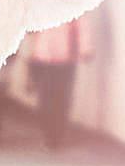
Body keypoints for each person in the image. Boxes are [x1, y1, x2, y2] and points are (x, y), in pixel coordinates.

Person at [26, 16, 92, 149]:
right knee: (45, 98)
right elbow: (32, 26)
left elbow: (82, 26)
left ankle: (56, 135)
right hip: (42, 57)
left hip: (65, 59)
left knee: (61, 98)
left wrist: (86, 49)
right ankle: (49, 133)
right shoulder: (44, 7)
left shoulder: (72, 6)